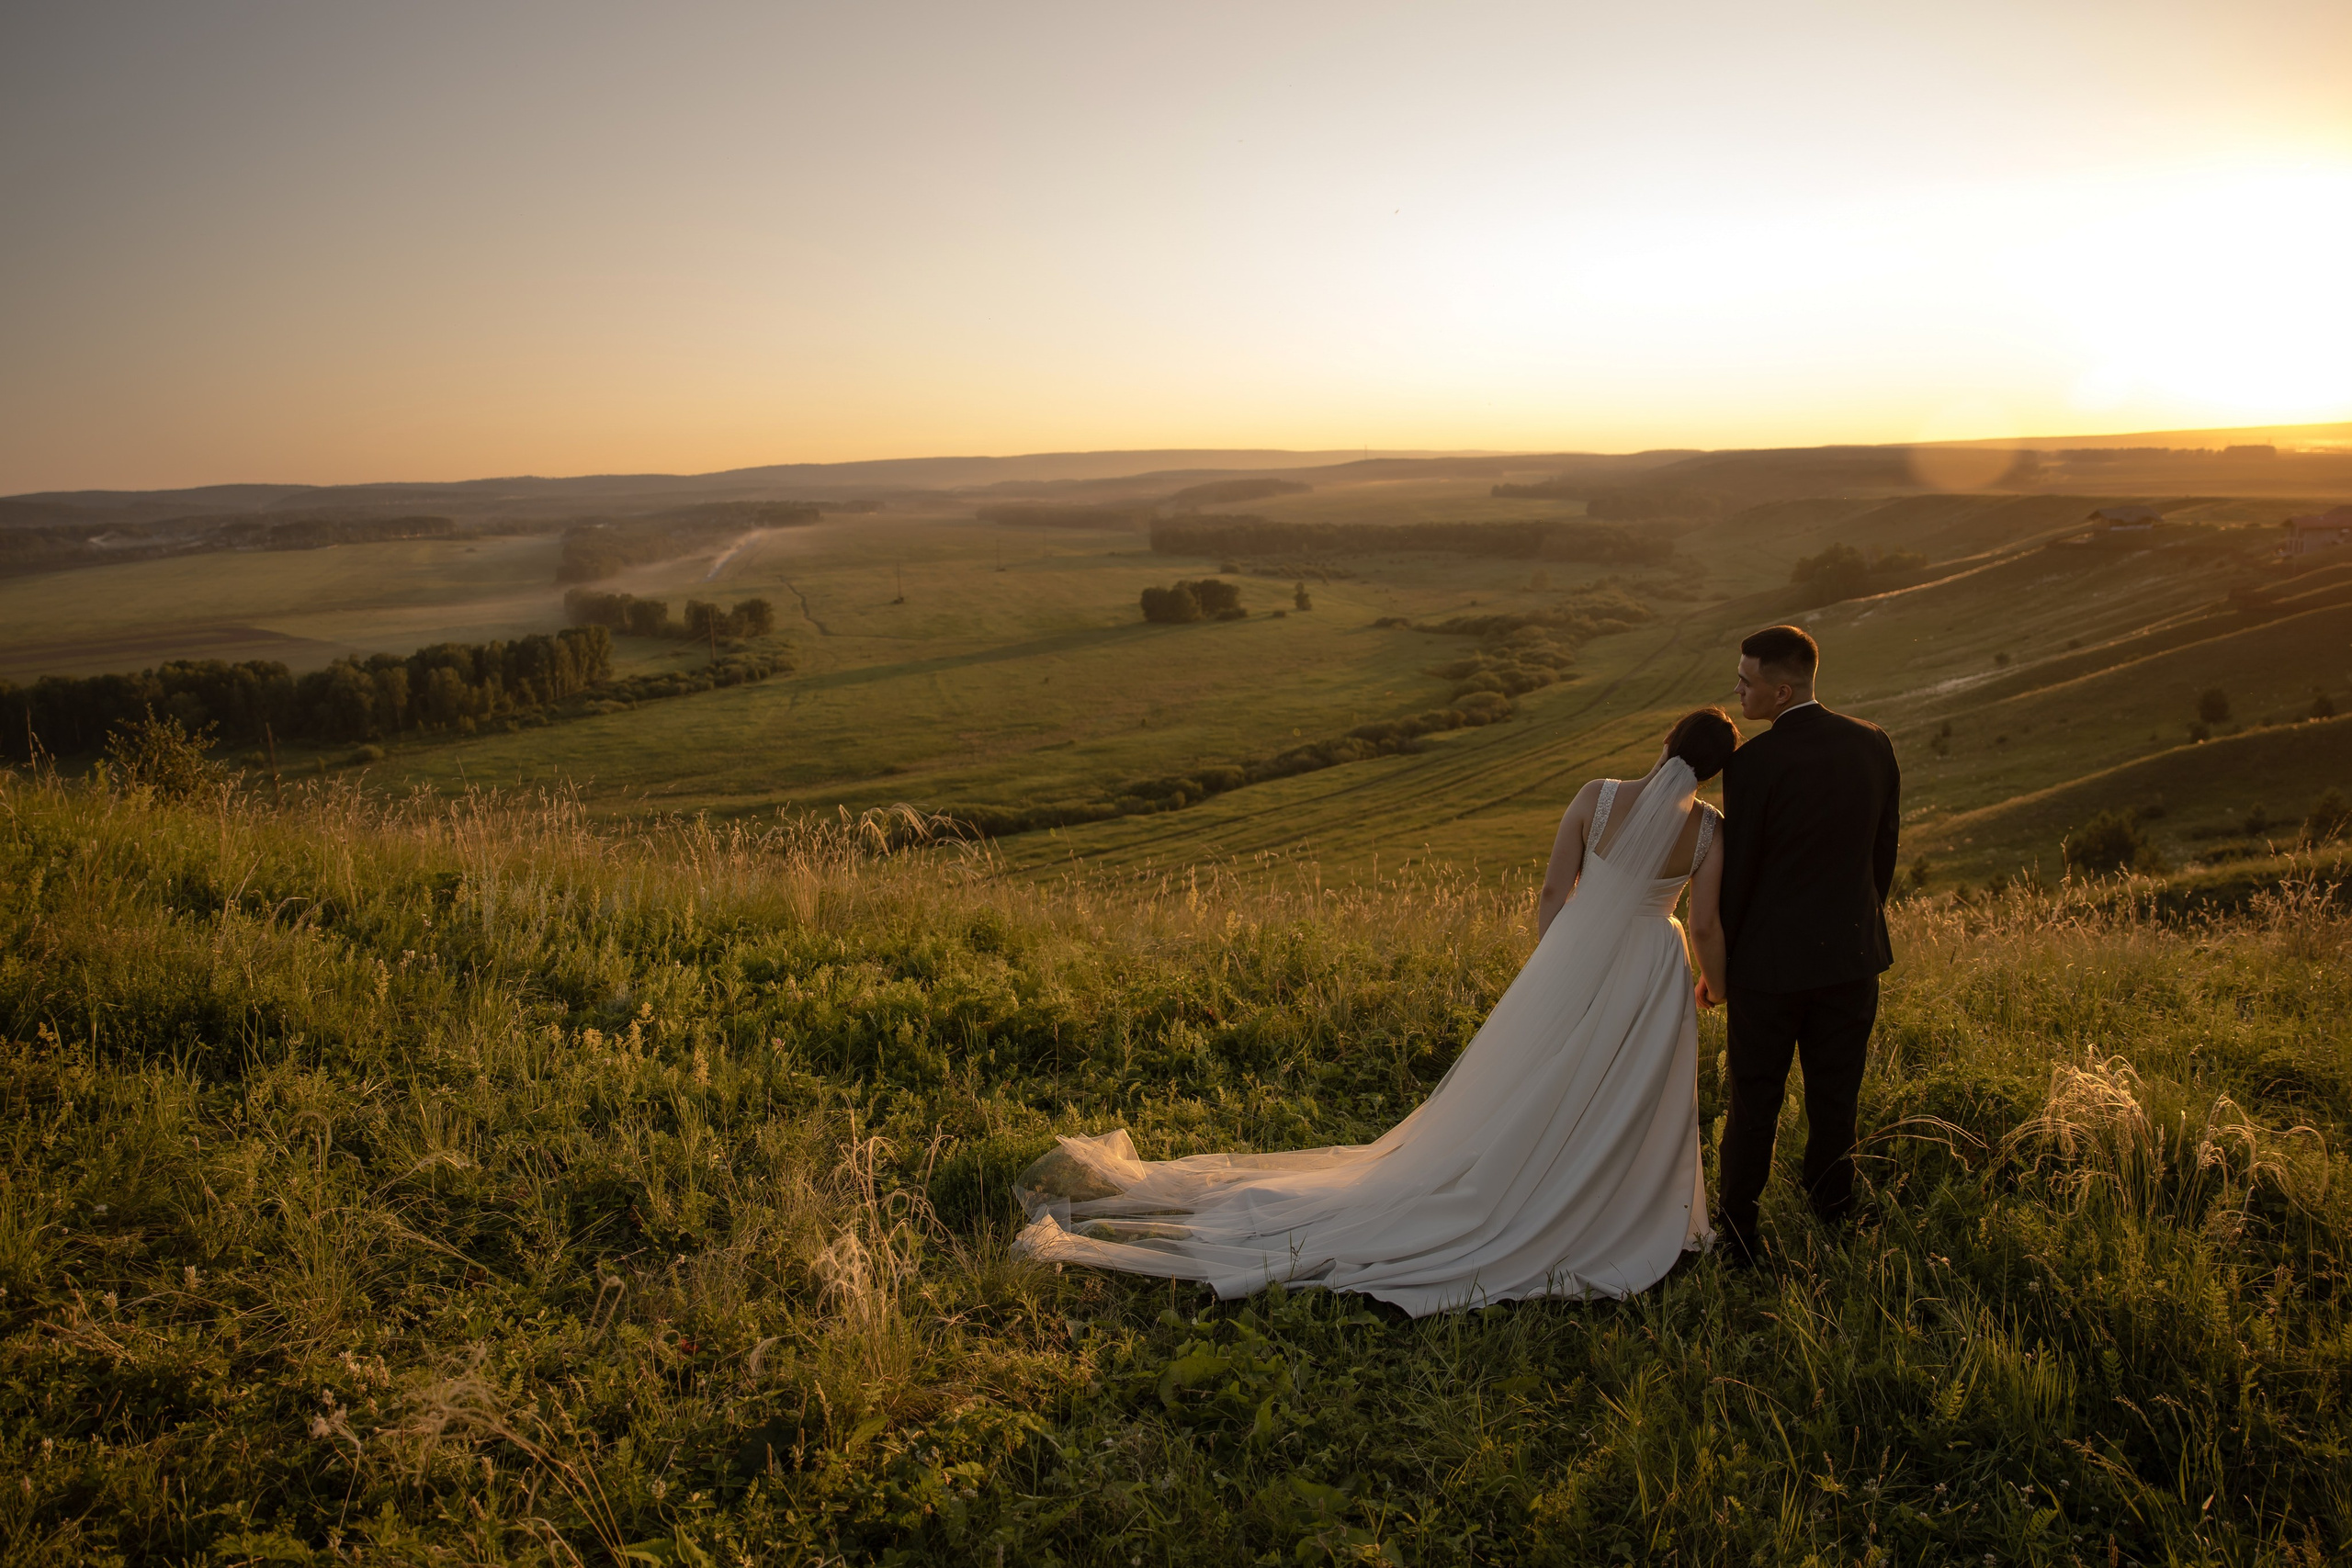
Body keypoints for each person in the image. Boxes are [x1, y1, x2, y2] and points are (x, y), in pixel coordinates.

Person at [1008, 708, 1741, 1316]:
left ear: (1665, 740)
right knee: (1621, 1098)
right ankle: (1613, 1203)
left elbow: (1554, 894)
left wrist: (1560, 966)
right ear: (1708, 770)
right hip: (1651, 968)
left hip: (1578, 953)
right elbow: (1705, 924)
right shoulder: (1708, 831)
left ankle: (1516, 1177)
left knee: (1529, 1086)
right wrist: (1714, 982)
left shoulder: (1597, 794)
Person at [1707, 624, 1901, 1267]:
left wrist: (1724, 964)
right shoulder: (1873, 743)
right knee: (1836, 1094)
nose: (1737, 690)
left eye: (1747, 681)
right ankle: (1833, 1209)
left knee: (1754, 1101)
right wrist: (1856, 922)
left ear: (1782, 690)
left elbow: (1741, 875)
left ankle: (1737, 1231)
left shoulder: (1753, 763)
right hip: (1851, 956)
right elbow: (1882, 855)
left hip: (1768, 966)